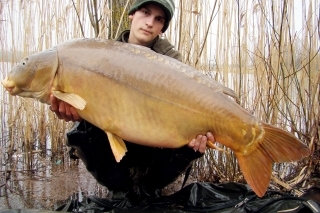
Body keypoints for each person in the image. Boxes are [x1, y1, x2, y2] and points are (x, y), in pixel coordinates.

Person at [50, 0, 215, 205]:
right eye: (145, 13)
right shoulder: (106, 52)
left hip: (155, 132)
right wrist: (73, 110)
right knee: (82, 130)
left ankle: (151, 187)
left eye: (158, 19)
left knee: (193, 145)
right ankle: (118, 188)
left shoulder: (171, 60)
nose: (149, 23)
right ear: (132, 15)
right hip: (120, 126)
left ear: (162, 28)